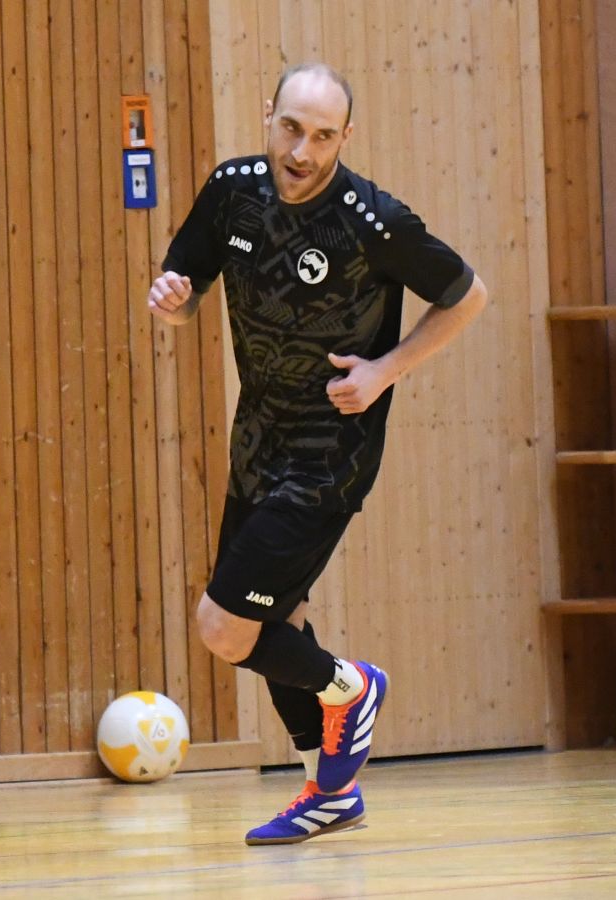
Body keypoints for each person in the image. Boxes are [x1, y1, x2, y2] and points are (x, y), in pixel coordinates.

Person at [146, 62, 487, 845]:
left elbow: (468, 296)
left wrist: (386, 369)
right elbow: (186, 286)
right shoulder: (234, 190)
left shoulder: (372, 221)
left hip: (328, 455)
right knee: (280, 618)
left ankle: (351, 686)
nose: (303, 151)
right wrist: (173, 302)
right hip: (256, 442)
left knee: (225, 627)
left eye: (323, 136)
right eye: (292, 129)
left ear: (346, 137)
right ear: (268, 114)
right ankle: (327, 793)